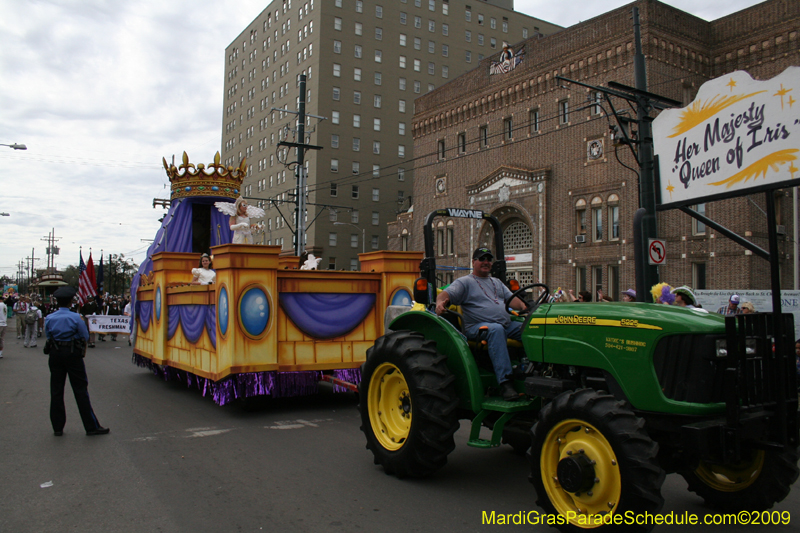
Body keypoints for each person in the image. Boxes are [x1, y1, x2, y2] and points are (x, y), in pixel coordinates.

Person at [435, 247, 528, 401]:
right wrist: (440, 304)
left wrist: (526, 307)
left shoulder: (496, 282)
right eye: (482, 259)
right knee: (496, 330)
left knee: (531, 328)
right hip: (477, 328)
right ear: (473, 262)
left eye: (488, 259)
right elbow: (444, 295)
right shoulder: (465, 282)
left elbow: (513, 300)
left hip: (506, 325)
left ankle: (534, 372)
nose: (486, 262)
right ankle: (506, 383)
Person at [45, 286, 109, 436]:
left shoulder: (50, 317)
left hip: (55, 353)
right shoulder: (75, 317)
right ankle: (91, 426)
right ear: (70, 302)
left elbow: (48, 335)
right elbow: (85, 335)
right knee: (80, 390)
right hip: (72, 353)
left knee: (56, 390)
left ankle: (57, 427)